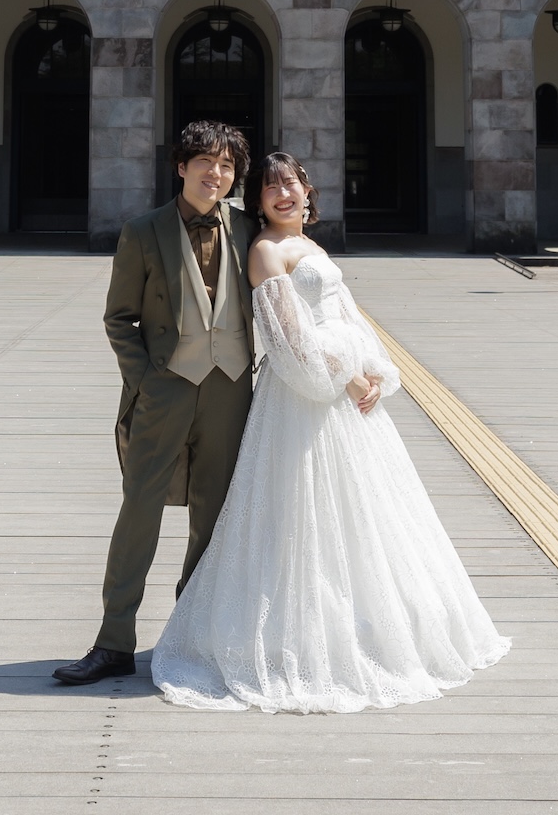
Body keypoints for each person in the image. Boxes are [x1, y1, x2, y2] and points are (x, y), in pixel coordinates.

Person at [149, 149, 509, 712]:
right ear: (257, 199)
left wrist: (373, 371)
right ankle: (291, 640)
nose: (283, 194)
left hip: (347, 397)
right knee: (298, 517)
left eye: (291, 183)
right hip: (302, 401)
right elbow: (289, 343)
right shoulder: (266, 252)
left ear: (308, 191)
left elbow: (347, 317)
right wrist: (343, 377)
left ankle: (368, 629)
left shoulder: (312, 246)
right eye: (270, 188)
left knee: (362, 518)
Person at [53, 119, 258, 687]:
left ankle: (192, 637)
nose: (215, 174)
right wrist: (146, 380)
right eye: (205, 162)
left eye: (226, 166)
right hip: (165, 386)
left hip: (231, 388)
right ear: (182, 166)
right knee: (138, 510)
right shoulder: (143, 231)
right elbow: (120, 318)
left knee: (213, 519)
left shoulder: (249, 229)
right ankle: (113, 641)